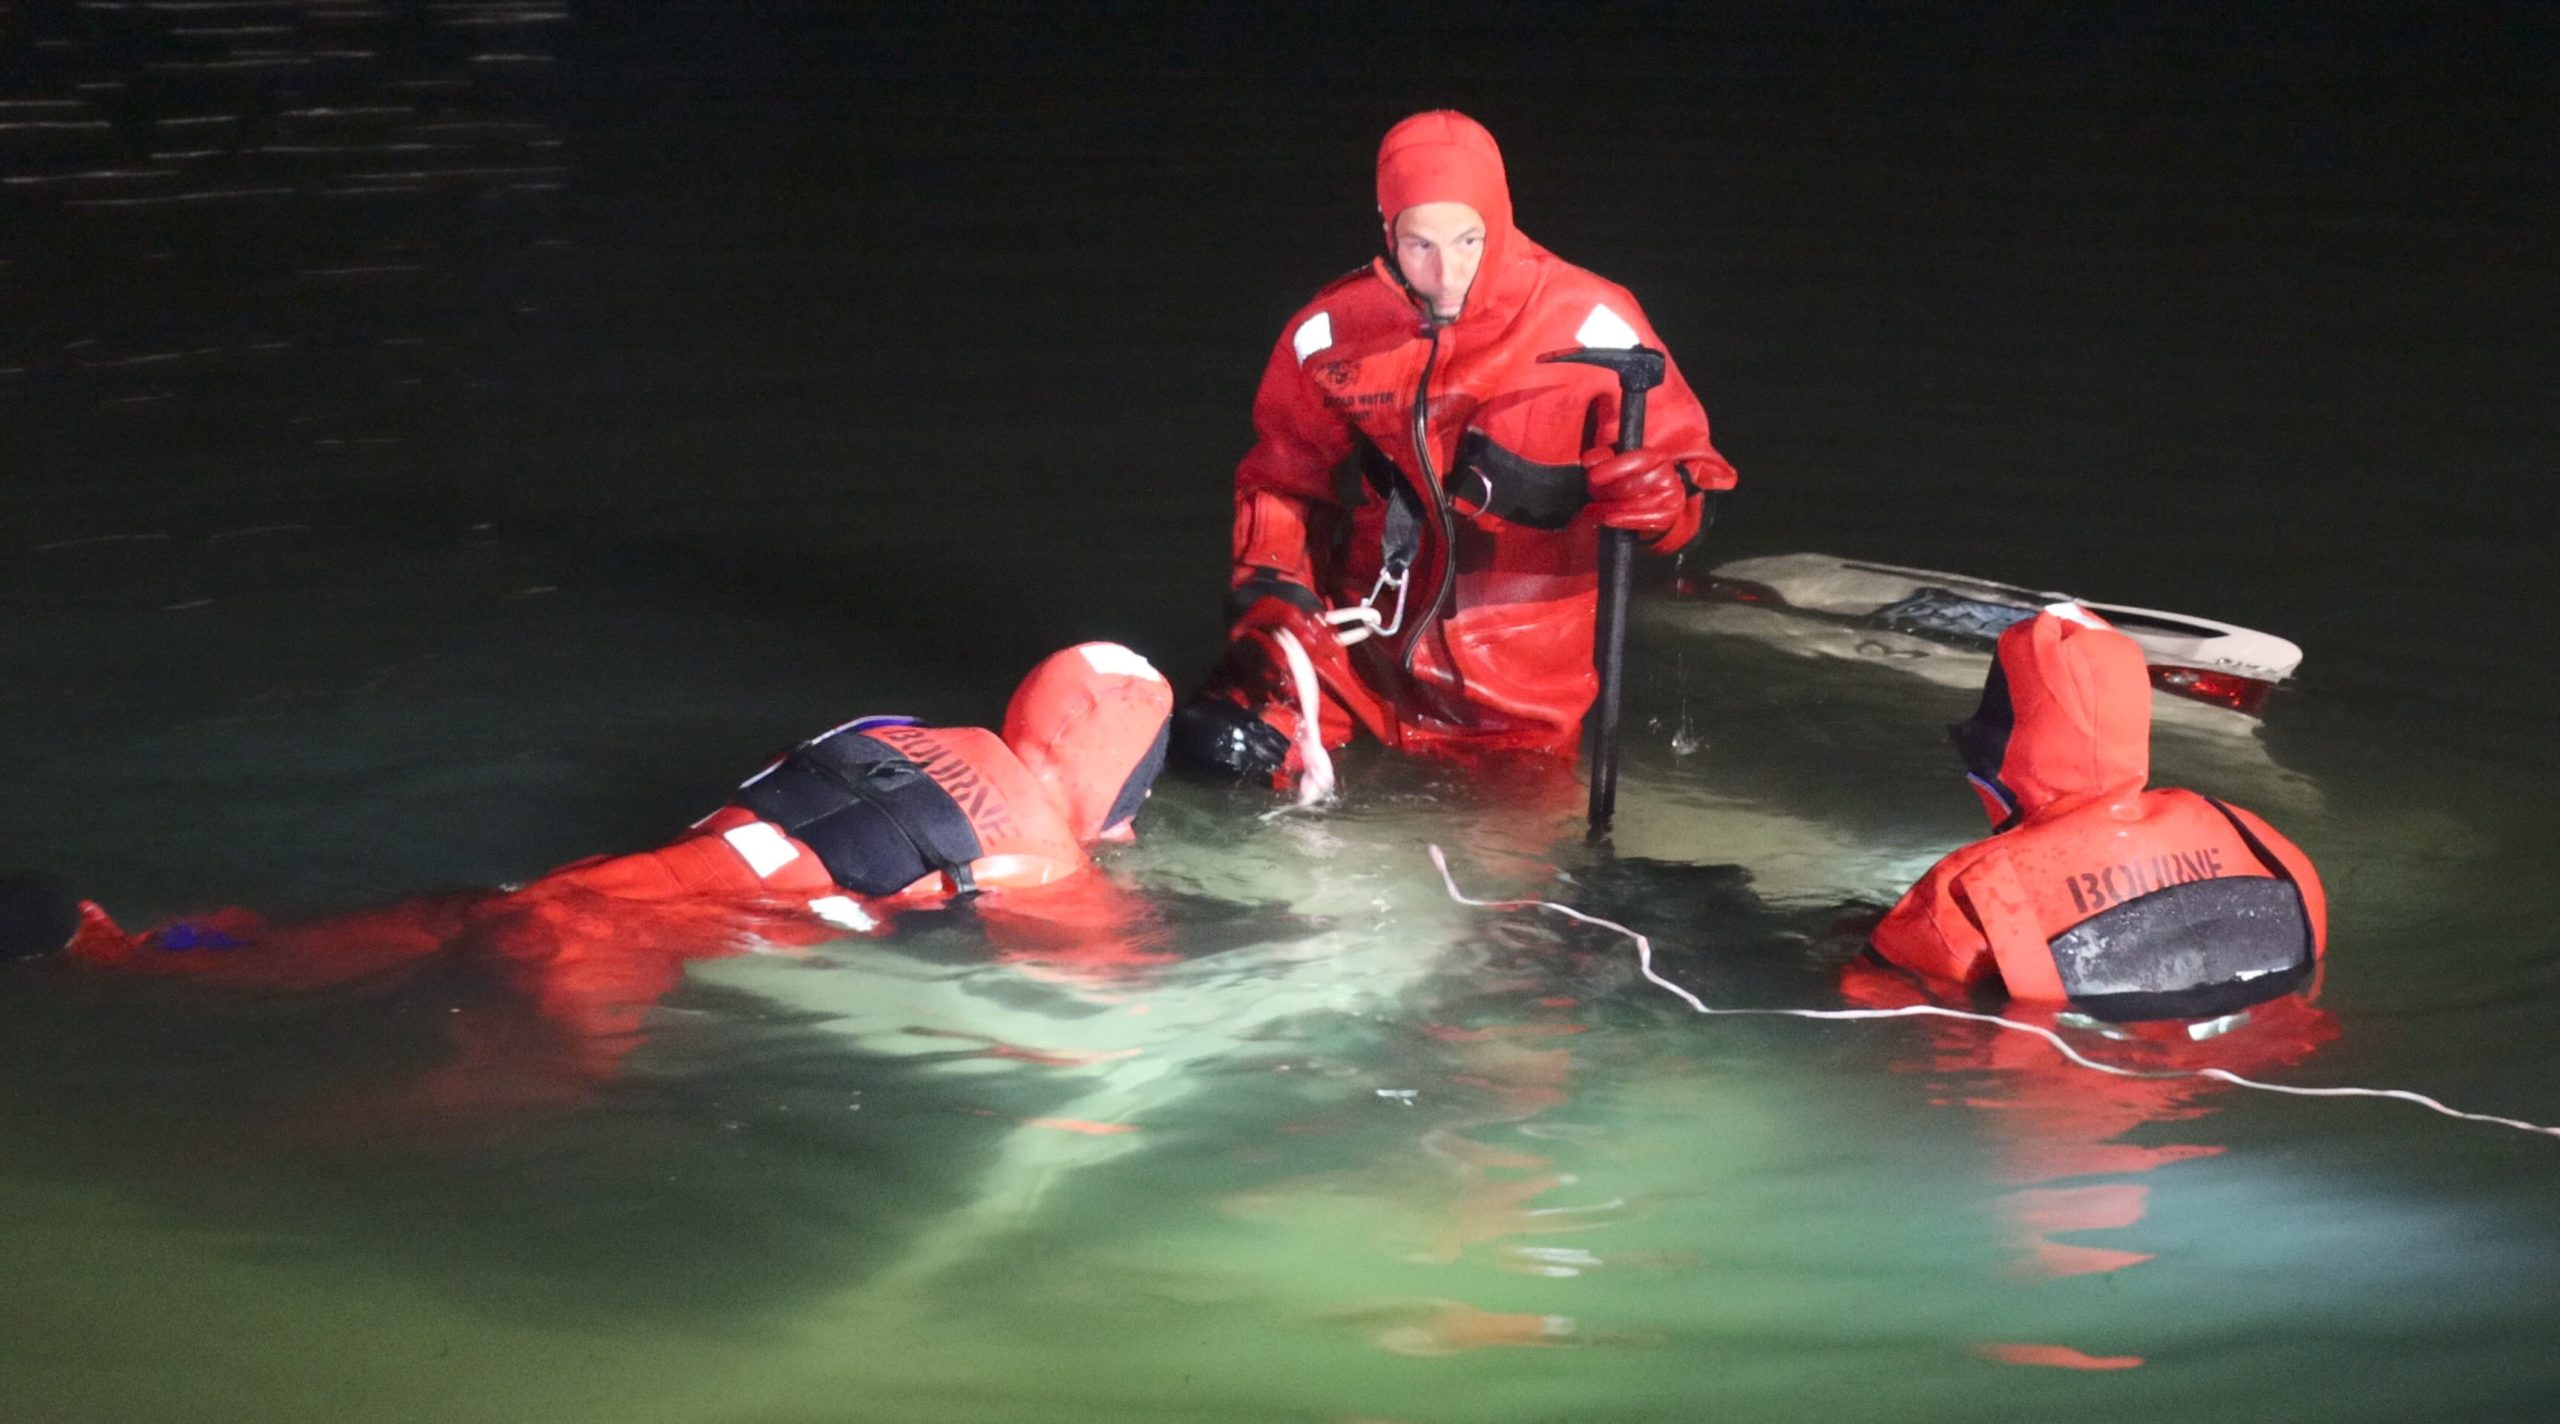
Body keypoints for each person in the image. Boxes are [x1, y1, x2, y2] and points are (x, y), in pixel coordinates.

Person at [1, 643, 1175, 1117]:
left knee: (230, 957)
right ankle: (206, 1169)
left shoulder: (880, 728)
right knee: (497, 1105)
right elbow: (1098, 1027)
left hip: (545, 898)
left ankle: (104, 943)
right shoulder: (1046, 867)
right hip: (599, 961)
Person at [1171, 109, 1736, 788]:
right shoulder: (1331, 330)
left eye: (1469, 240)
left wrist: (1661, 506)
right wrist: (1274, 587)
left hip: (1518, 692)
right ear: (1387, 230)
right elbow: (1283, 475)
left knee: (1502, 844)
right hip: (1363, 646)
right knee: (1217, 747)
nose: (1447, 274)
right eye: (1420, 245)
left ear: (1499, 219)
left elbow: (1693, 490)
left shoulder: (1595, 323)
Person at [1861, 602, 2328, 1020]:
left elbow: (1873, 999)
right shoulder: (2254, 837)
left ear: (2006, 743)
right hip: (2288, 1049)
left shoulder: (1966, 889)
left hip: (2079, 1082)